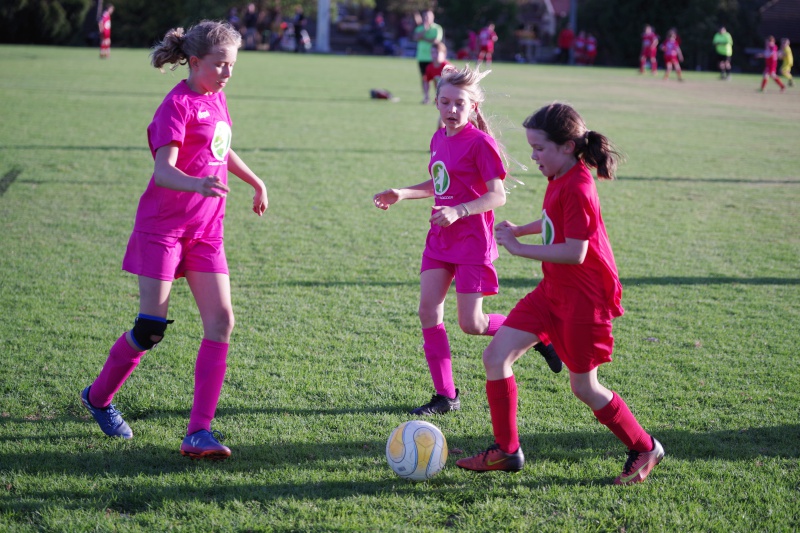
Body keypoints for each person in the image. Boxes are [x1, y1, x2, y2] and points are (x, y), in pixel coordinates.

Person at [79, 20, 268, 461]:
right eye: (220, 65)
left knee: (221, 322)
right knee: (150, 329)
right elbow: (163, 170)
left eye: (232, 65)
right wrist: (196, 183)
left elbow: (220, 148)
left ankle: (198, 432)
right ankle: (98, 398)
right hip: (163, 228)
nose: (227, 73)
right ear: (195, 62)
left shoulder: (217, 97)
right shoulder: (175, 105)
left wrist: (255, 181)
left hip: (207, 230)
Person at [455, 103, 664, 486]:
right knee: (496, 357)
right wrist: (522, 229)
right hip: (552, 292)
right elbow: (556, 221)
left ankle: (645, 446)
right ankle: (506, 451)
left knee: (584, 387)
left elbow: (575, 251)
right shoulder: (560, 174)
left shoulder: (581, 186)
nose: (533, 156)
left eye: (539, 148)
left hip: (584, 301)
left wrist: (520, 248)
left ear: (567, 146)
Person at [373, 65, 562, 417]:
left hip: (472, 243)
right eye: (445, 102)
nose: (451, 109)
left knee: (471, 325)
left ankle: (537, 331)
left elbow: (497, 196)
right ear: (437, 103)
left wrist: (460, 211)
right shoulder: (438, 138)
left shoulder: (480, 143)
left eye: (460, 103)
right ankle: (445, 396)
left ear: (473, 106)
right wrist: (402, 193)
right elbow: (440, 184)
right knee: (428, 312)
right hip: (440, 240)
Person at [414, 10, 444, 104]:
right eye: (425, 16)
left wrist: (423, 38)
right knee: (424, 78)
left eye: (428, 16)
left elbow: (436, 41)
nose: (426, 18)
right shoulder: (420, 28)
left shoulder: (437, 28)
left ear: (433, 17)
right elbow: (416, 38)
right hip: (422, 57)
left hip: (434, 58)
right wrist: (425, 30)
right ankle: (426, 97)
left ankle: (438, 98)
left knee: (436, 78)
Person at [423, 42, 452, 129]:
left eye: (437, 52)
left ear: (444, 54)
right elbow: (426, 81)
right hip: (443, 99)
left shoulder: (448, 68)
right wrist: (426, 95)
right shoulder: (430, 67)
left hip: (453, 99)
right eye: (432, 52)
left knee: (442, 122)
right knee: (443, 123)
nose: (434, 55)